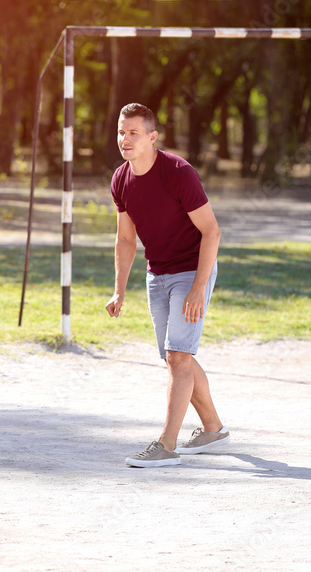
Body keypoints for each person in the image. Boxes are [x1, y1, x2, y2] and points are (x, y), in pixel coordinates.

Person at [106, 103, 230, 468]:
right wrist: (119, 290)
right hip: (156, 274)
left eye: (133, 132)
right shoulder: (120, 179)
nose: (125, 139)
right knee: (176, 357)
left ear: (152, 137)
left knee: (178, 356)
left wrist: (198, 288)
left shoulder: (178, 172)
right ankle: (213, 428)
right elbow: (126, 240)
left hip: (192, 271)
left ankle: (167, 445)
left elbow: (212, 231)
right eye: (120, 131)